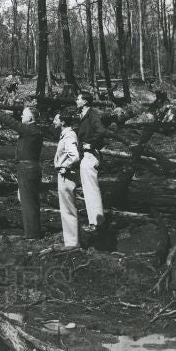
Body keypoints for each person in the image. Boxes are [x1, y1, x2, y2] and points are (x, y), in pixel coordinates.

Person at [0, 103, 43, 238]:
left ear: (31, 118)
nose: (21, 116)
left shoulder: (31, 130)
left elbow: (12, 122)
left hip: (28, 168)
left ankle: (33, 235)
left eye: (24, 114)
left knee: (29, 203)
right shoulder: (31, 130)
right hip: (26, 168)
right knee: (27, 201)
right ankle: (32, 233)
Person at [75, 90, 108, 230]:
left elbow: (101, 131)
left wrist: (92, 144)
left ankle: (97, 223)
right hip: (85, 155)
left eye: (78, 98)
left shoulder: (92, 114)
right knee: (87, 190)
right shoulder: (83, 115)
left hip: (91, 155)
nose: (76, 101)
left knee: (91, 190)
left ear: (85, 101)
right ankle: (93, 222)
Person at [53, 110, 81, 249]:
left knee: (68, 209)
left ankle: (72, 243)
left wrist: (65, 166)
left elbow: (75, 156)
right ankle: (70, 241)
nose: (53, 121)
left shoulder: (69, 135)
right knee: (66, 208)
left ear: (63, 122)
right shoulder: (65, 134)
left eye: (56, 119)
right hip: (65, 175)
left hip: (67, 176)